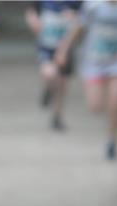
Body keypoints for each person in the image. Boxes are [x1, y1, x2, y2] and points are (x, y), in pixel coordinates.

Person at [56, 0, 117, 160]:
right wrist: (63, 50)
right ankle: (110, 119)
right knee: (95, 107)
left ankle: (112, 140)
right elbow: (77, 28)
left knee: (115, 104)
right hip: (94, 62)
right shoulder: (92, 6)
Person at [25, 1, 82, 131]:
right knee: (49, 74)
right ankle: (48, 90)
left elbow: (83, 19)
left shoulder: (74, 3)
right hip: (46, 46)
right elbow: (31, 11)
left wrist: (74, 17)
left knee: (62, 83)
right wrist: (33, 21)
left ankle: (57, 116)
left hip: (66, 47)